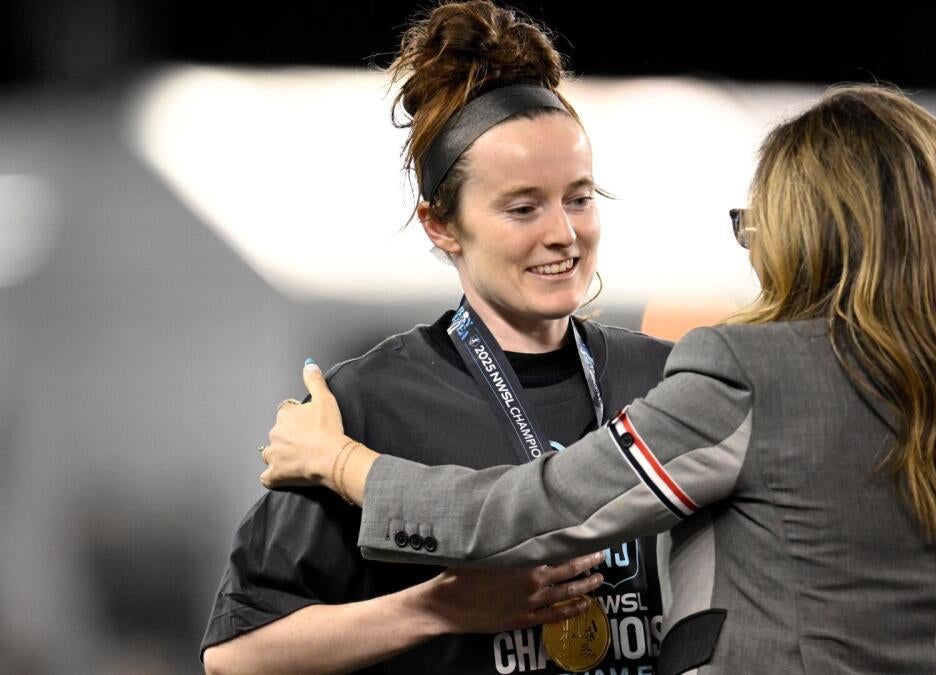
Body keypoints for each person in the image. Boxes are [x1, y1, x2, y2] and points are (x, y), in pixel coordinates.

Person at [261, 84, 936, 674]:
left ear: (808, 233)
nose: (754, 251)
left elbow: (527, 514)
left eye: (759, 224)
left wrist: (339, 463)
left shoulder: (749, 371)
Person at [202, 2, 672, 673]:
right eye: (523, 207)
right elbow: (237, 656)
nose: (563, 234)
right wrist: (439, 606)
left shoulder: (666, 380)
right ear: (440, 225)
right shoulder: (366, 406)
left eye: (579, 197)